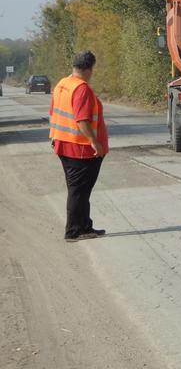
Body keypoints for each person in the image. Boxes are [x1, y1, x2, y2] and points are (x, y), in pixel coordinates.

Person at [49, 51, 108, 242]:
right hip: (80, 149)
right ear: (89, 69)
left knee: (81, 190)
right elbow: (82, 120)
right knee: (78, 191)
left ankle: (84, 226)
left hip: (64, 144)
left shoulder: (62, 84)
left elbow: (53, 112)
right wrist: (94, 142)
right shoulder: (82, 89)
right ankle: (73, 231)